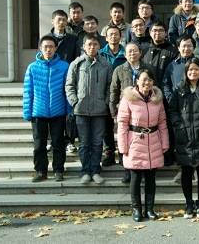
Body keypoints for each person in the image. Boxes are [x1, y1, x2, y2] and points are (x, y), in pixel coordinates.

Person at [117, 69, 169, 222]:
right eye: (144, 79)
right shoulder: (128, 99)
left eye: (150, 79)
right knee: (135, 178)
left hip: (153, 140)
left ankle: (150, 209)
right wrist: (123, 146)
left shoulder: (157, 99)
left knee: (151, 178)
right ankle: (136, 209)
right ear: (137, 81)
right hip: (135, 141)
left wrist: (164, 142)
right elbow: (122, 124)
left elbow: (162, 122)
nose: (147, 82)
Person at [168, 58, 199, 219]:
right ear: (186, 72)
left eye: (196, 69)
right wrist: (178, 124)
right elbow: (172, 110)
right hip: (185, 136)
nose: (193, 72)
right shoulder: (179, 89)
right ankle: (189, 204)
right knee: (186, 172)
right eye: (190, 70)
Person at [65, 35, 113, 185]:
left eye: (95, 44)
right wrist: (75, 102)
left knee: (97, 143)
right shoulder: (76, 64)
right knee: (84, 143)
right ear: (84, 46)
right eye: (89, 44)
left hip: (100, 111)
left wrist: (105, 102)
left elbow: (110, 87)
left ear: (99, 46)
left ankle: (96, 171)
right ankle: (85, 171)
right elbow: (69, 85)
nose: (92, 47)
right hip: (81, 110)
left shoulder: (105, 64)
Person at [23, 35, 70, 182]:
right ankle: (40, 171)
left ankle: (58, 170)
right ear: (40, 48)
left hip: (58, 111)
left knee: (58, 143)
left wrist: (69, 111)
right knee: (39, 145)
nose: (48, 50)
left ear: (56, 48)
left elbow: (67, 91)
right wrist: (27, 112)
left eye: (51, 47)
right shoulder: (32, 67)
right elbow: (28, 91)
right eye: (45, 47)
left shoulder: (64, 66)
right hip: (38, 112)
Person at [110, 42, 155, 184]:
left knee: (142, 143)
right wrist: (113, 110)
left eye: (135, 51)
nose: (132, 54)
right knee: (125, 141)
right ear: (125, 54)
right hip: (125, 110)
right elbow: (114, 91)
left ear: (140, 53)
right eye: (129, 51)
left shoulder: (148, 68)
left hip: (143, 111)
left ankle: (143, 170)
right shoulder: (119, 69)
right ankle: (127, 171)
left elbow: (154, 88)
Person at [142, 21, 178, 166]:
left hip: (166, 97)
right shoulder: (144, 50)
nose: (157, 33)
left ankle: (168, 156)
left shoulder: (173, 51)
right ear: (150, 33)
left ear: (165, 32)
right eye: (154, 30)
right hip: (147, 97)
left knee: (167, 127)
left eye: (160, 30)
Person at [99, 26, 126, 167]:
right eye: (110, 34)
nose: (113, 36)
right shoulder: (100, 54)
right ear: (106, 37)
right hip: (104, 94)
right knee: (106, 126)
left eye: (116, 34)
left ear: (120, 36)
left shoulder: (126, 53)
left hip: (122, 95)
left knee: (122, 126)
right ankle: (109, 152)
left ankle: (122, 153)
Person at [162, 36, 196, 104]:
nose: (186, 49)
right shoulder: (172, 65)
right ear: (178, 48)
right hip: (177, 104)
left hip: (196, 104)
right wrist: (170, 98)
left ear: (194, 48)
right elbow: (165, 84)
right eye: (184, 46)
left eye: (189, 46)